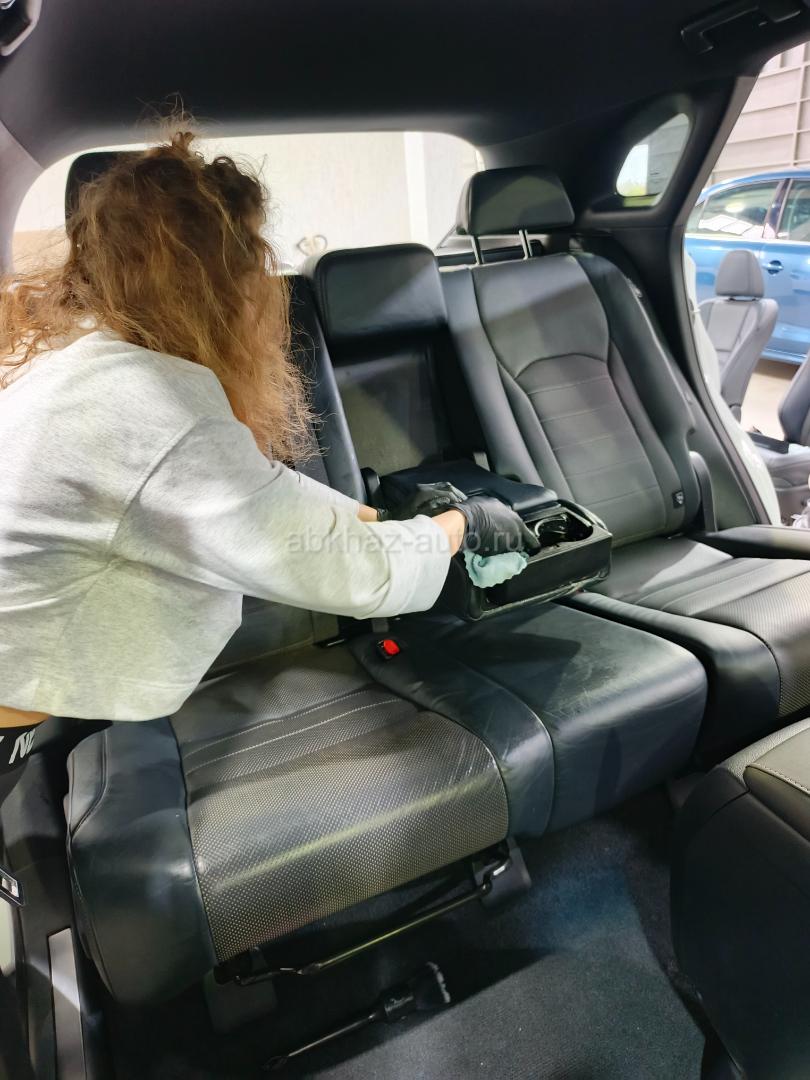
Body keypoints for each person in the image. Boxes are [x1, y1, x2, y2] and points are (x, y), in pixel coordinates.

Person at [0, 131, 536, 809]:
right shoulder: (150, 409)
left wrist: (377, 513)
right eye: (252, 257)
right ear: (214, 279)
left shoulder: (95, 370)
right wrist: (462, 523)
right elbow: (360, 573)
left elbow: (259, 493)